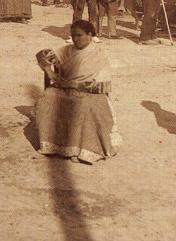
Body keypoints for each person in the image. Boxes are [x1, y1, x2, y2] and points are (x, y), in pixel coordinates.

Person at [35, 20, 121, 163]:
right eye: (73, 36)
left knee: (83, 105)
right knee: (47, 98)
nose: (75, 39)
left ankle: (84, 149)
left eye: (79, 35)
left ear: (90, 35)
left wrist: (73, 84)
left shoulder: (98, 54)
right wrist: (49, 72)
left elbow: (101, 86)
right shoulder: (68, 50)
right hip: (65, 89)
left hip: (90, 94)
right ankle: (55, 146)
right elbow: (41, 55)